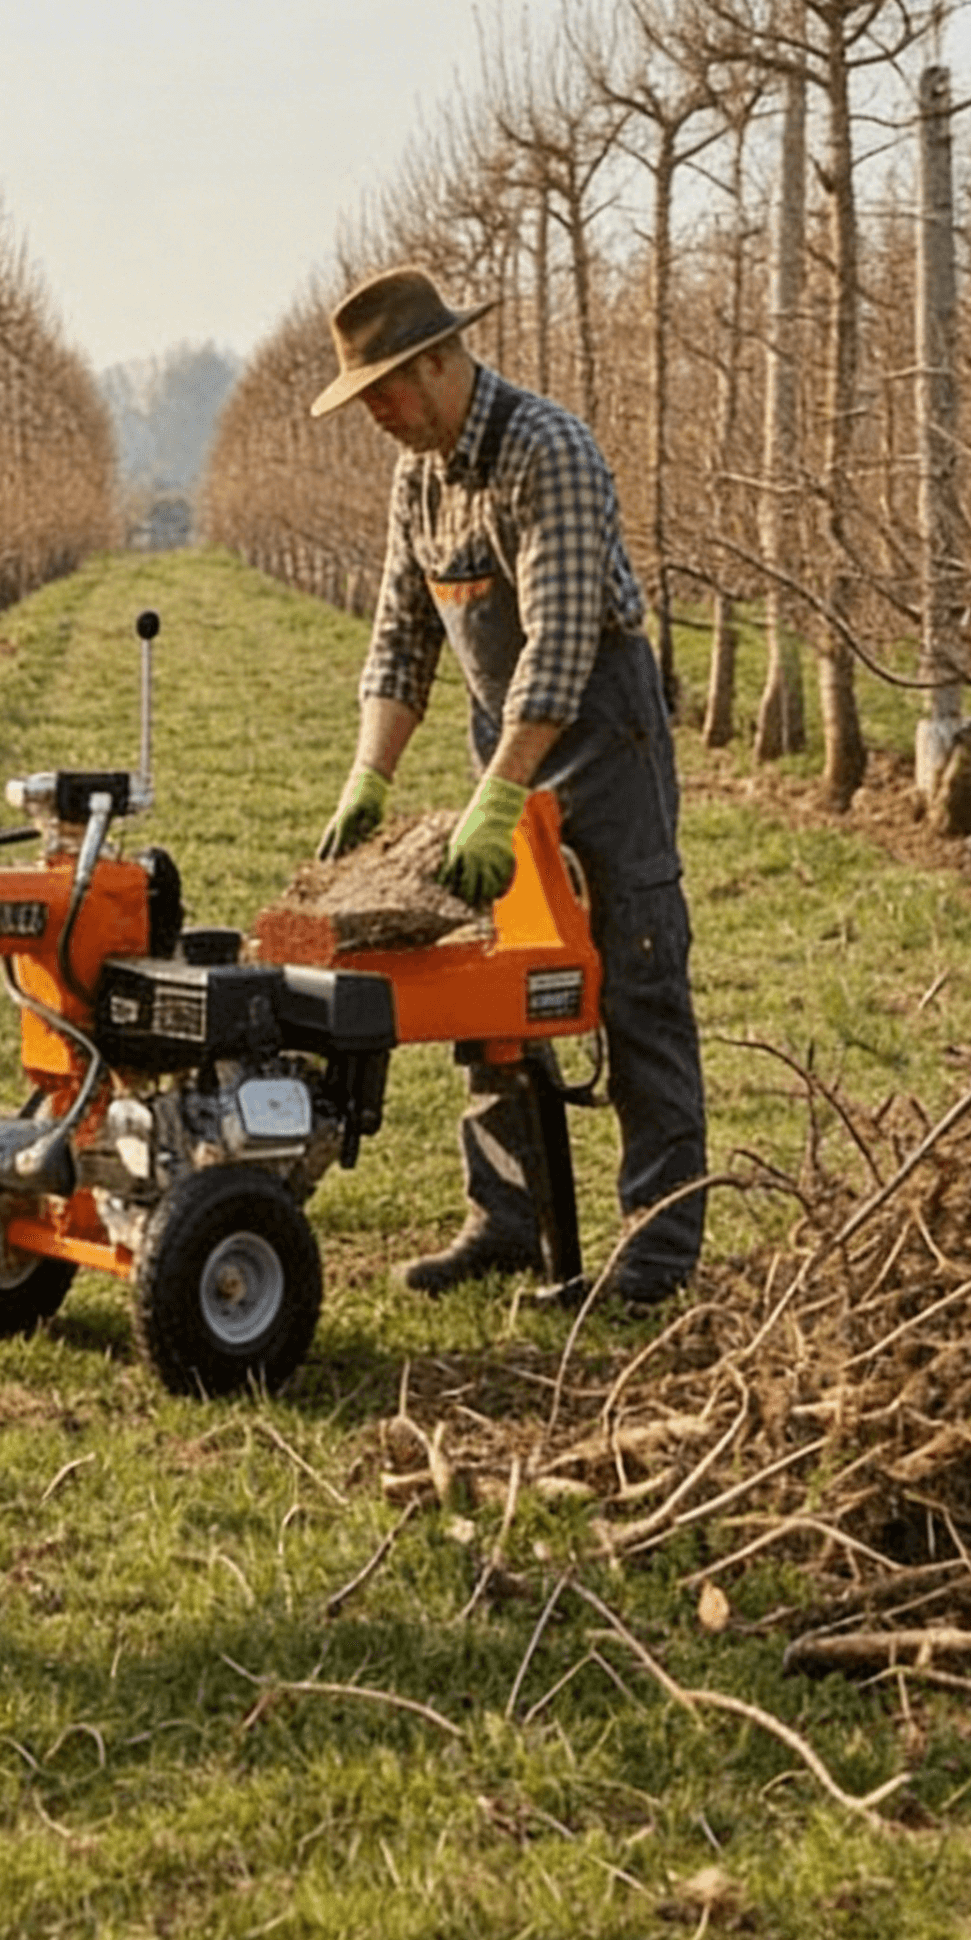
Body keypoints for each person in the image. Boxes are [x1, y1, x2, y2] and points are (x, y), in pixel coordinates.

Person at [312, 264, 706, 1306]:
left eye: (385, 394)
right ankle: (506, 1217)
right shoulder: (422, 477)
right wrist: (370, 773)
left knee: (635, 975)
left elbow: (563, 646)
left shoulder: (548, 450)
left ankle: (656, 1252)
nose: (379, 418)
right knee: (504, 979)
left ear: (439, 362)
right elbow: (402, 640)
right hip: (509, 744)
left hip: (599, 732)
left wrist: (500, 796)